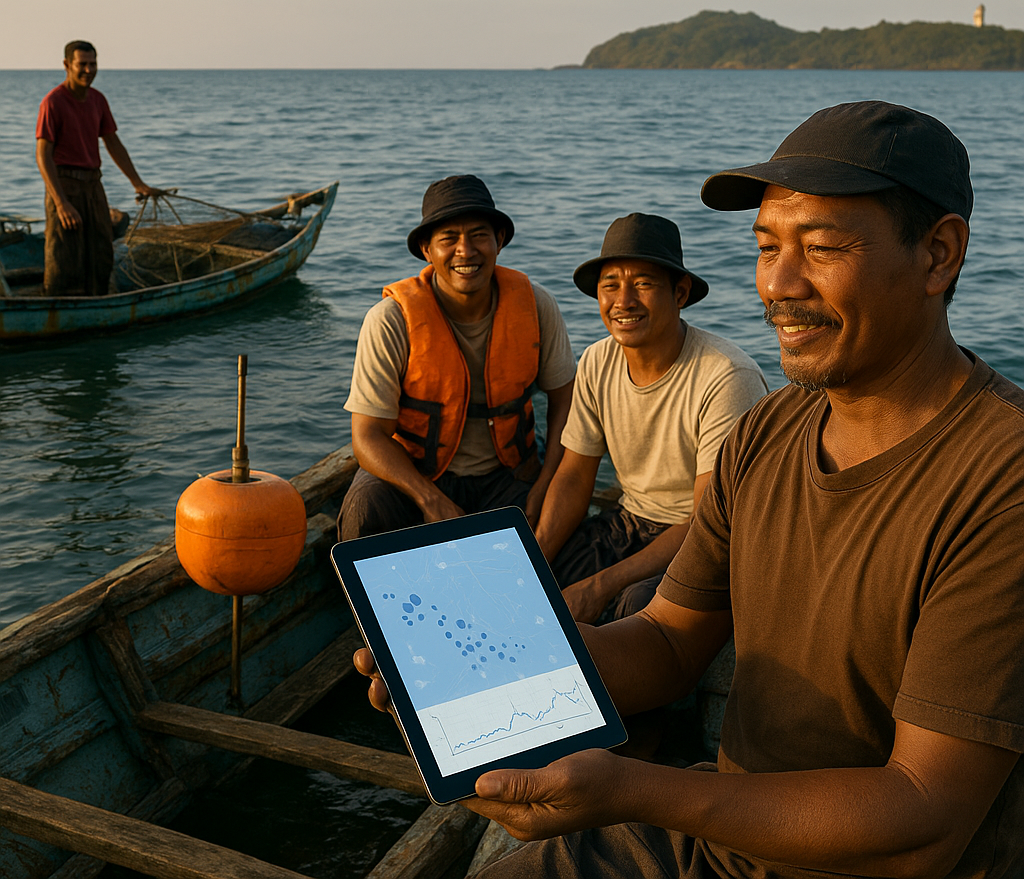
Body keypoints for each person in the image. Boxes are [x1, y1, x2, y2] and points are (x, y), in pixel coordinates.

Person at [358, 102, 1024, 879]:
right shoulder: (767, 435)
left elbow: (923, 819)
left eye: (822, 247)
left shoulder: (999, 481)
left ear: (938, 254)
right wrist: (492, 665)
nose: (777, 284)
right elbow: (670, 641)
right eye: (767, 246)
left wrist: (634, 790)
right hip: (725, 841)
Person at [536, 212, 767, 623]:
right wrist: (534, 560)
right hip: (627, 522)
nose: (623, 301)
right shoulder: (596, 359)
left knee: (636, 610)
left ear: (679, 293)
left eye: (642, 284)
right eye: (610, 285)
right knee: (535, 587)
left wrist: (601, 584)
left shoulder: (725, 375)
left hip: (705, 536)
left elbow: (706, 520)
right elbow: (573, 475)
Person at [340, 174, 576, 540]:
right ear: (426, 250)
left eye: (479, 235)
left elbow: (567, 402)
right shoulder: (390, 319)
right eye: (448, 239)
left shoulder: (536, 305)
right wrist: (429, 499)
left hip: (509, 475)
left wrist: (545, 485)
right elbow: (368, 435)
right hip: (416, 473)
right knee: (364, 509)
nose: (466, 251)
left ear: (499, 241)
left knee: (560, 525)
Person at [35, 40, 160, 296]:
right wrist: (61, 203)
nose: (89, 70)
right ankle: (56, 305)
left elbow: (113, 142)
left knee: (101, 249)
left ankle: (99, 302)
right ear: (67, 65)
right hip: (64, 185)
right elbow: (43, 155)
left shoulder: (98, 100)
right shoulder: (53, 102)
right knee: (64, 252)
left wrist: (138, 183)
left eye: (93, 64)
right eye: (82, 64)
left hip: (93, 185)